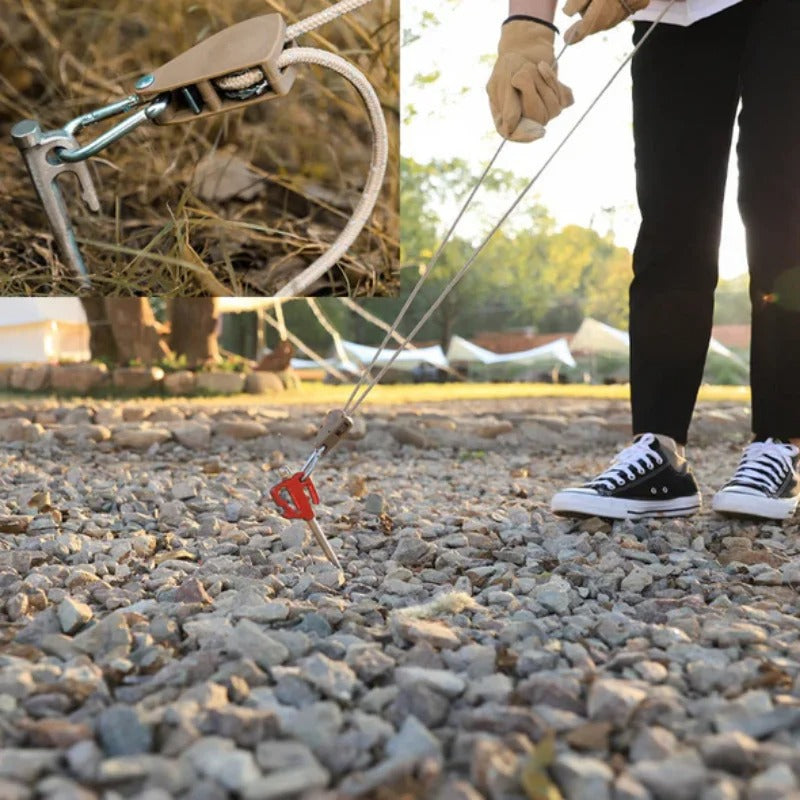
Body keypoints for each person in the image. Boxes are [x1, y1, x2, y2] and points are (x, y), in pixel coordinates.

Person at [488, 0, 800, 521]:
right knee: (671, 217)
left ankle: (780, 443)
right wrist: (526, 28)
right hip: (678, 16)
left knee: (781, 205)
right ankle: (660, 453)